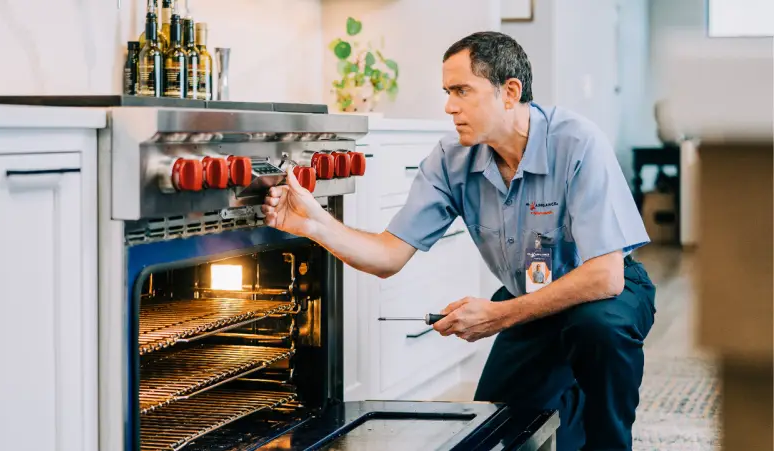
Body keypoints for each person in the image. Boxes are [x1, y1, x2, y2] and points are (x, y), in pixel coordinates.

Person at [263, 31, 656, 451]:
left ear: (509, 91)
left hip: (604, 294)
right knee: (496, 432)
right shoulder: (451, 161)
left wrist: (498, 316)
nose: (450, 106)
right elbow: (387, 256)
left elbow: (605, 276)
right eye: (448, 92)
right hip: (531, 301)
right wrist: (314, 225)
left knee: (596, 332)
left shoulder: (577, 143)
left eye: (462, 91)